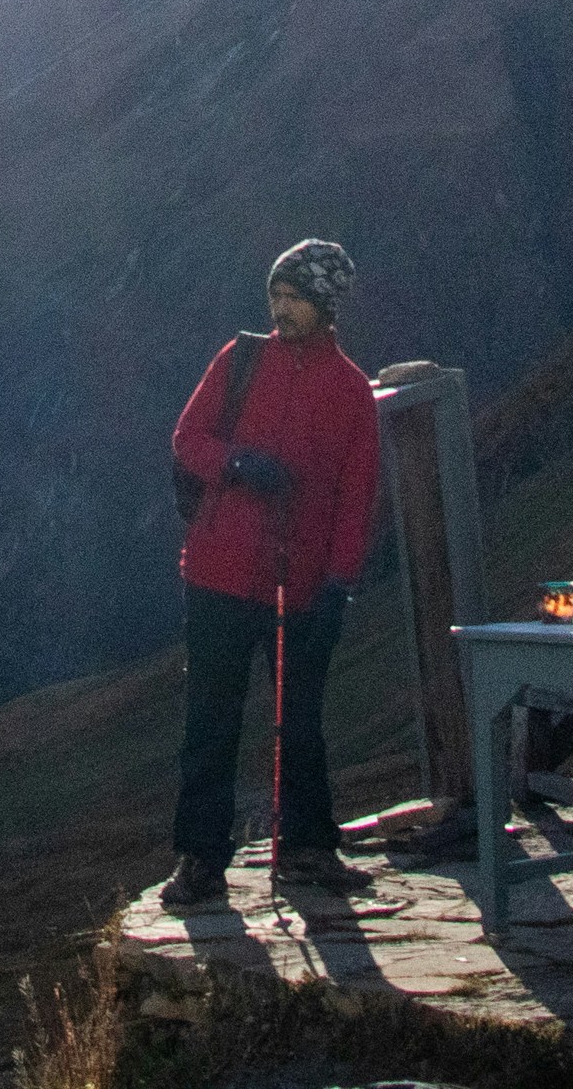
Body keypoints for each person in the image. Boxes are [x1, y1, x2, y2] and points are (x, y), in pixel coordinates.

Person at [159, 238, 384, 907]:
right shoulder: (241, 357)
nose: (281, 309)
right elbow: (187, 439)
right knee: (211, 718)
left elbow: (356, 494)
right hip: (220, 571)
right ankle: (201, 858)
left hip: (301, 580)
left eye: (295, 298)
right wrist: (236, 464)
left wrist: (339, 580)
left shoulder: (350, 389)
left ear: (326, 304)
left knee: (301, 717)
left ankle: (308, 847)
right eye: (276, 296)